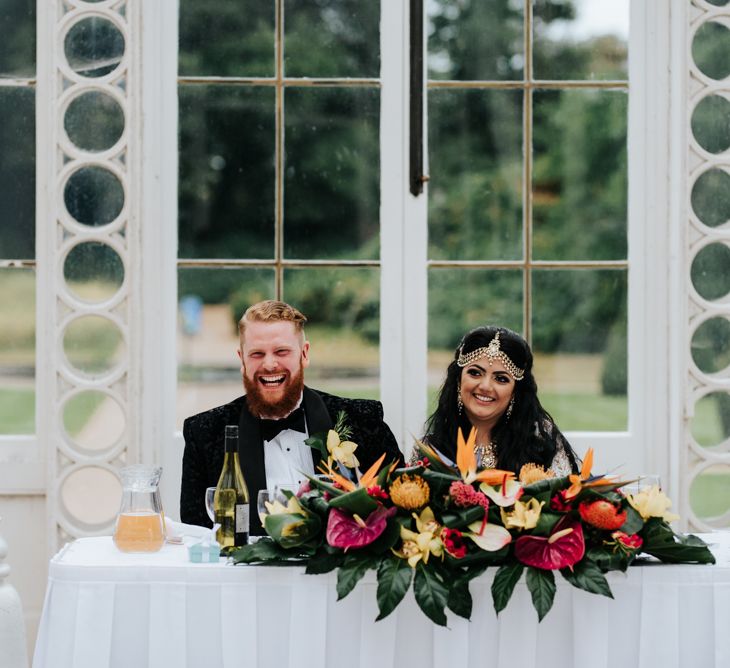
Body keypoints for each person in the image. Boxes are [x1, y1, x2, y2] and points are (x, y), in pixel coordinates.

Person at [180, 300, 403, 535]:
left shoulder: (363, 421)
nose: (269, 364)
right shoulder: (204, 433)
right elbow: (197, 536)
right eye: (257, 354)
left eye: (281, 351)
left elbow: (401, 512)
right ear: (242, 360)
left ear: (304, 353)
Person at [422, 325, 578, 477]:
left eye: (501, 379)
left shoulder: (539, 444)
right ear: (458, 380)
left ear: (515, 392)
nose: (485, 386)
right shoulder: (433, 448)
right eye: (475, 373)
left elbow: (567, 500)